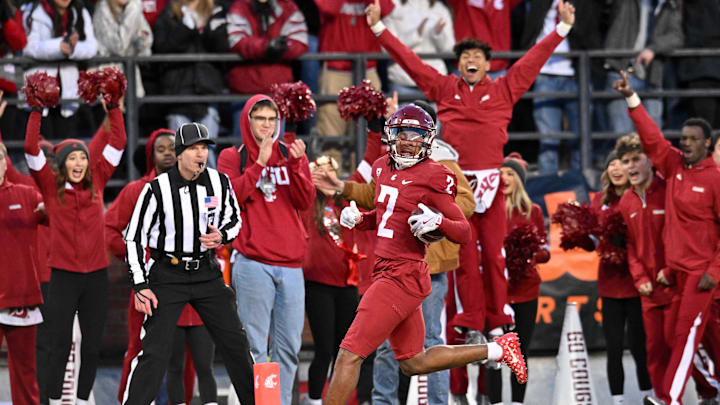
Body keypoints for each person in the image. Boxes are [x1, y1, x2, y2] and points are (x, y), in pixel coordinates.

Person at [365, 0, 576, 344]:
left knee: (495, 255)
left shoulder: (505, 88)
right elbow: (413, 64)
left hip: (493, 183)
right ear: (458, 63)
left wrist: (562, 29)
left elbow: (533, 61)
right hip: (457, 185)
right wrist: (379, 30)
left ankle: (498, 318)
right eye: (465, 57)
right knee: (465, 256)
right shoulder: (445, 88)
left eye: (477, 57)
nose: (471, 61)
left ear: (488, 64)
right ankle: (471, 321)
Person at [322, 105, 527, 405]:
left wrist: (438, 222)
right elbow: (386, 217)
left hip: (401, 274)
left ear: (428, 140)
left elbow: (464, 231)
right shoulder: (381, 167)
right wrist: (361, 219)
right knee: (413, 362)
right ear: (392, 136)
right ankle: (498, 349)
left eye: (415, 135)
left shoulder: (435, 174)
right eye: (402, 134)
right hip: (389, 271)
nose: (407, 141)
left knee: (348, 354)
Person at [123, 123, 254, 405]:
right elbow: (133, 237)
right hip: (167, 272)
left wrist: (222, 235)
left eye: (204, 148)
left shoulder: (219, 182)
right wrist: (140, 284)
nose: (201, 154)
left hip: (206, 271)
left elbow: (234, 219)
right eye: (194, 148)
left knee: (236, 344)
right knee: (155, 353)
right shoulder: (156, 189)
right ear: (179, 153)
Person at [615, 70, 720, 405]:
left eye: (692, 139)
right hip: (676, 272)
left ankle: (669, 398)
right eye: (683, 138)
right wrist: (632, 99)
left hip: (702, 274)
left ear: (707, 144)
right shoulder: (674, 166)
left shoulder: (716, 179)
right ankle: (710, 389)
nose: (684, 143)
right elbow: (652, 139)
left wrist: (713, 273)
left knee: (685, 333)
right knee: (691, 339)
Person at [24, 95, 125, 405]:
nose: (80, 163)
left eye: (83, 158)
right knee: (59, 343)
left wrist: (114, 106)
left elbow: (117, 142)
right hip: (64, 278)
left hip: (96, 278)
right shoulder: (50, 189)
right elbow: (30, 149)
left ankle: (81, 401)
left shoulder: (98, 183)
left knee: (92, 345)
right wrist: (37, 109)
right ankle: (54, 400)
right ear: (62, 164)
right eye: (73, 159)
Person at [107, 129, 219, 405]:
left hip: (193, 284)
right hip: (152, 286)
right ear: (151, 156)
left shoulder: (204, 188)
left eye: (175, 147)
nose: (169, 152)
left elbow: (218, 228)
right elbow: (108, 229)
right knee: (141, 350)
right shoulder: (136, 191)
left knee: (190, 356)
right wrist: (140, 258)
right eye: (162, 149)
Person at [217, 95, 314, 405]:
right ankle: (261, 402)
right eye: (260, 118)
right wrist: (259, 162)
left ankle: (280, 403)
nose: (267, 125)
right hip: (252, 262)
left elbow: (305, 201)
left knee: (288, 347)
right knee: (256, 347)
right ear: (247, 121)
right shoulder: (233, 156)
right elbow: (229, 197)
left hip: (291, 265)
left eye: (272, 119)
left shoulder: (289, 153)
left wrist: (298, 164)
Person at [614, 134, 678, 401]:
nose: (630, 166)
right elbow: (630, 245)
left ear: (650, 160)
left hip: (676, 287)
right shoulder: (625, 201)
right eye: (625, 161)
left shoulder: (669, 191)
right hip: (648, 292)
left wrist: (671, 269)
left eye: (636, 159)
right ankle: (664, 398)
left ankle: (706, 392)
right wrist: (639, 277)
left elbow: (682, 236)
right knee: (654, 350)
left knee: (682, 347)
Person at [586, 152, 653, 405]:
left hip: (637, 284)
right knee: (613, 347)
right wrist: (579, 237)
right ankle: (618, 400)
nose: (615, 168)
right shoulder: (598, 200)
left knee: (639, 346)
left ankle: (649, 394)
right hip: (610, 284)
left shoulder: (639, 197)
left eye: (620, 164)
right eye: (611, 164)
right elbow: (591, 242)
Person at [485, 153, 550, 405]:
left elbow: (545, 251)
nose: (505, 178)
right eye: (501, 173)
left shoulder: (532, 211)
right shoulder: (488, 210)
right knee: (494, 352)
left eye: (510, 174)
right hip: (495, 292)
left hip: (525, 291)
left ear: (519, 180)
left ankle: (517, 403)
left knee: (520, 352)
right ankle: (496, 402)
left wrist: (528, 254)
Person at [301, 155, 365, 405]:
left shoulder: (347, 202)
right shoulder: (307, 204)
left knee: (345, 351)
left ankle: (341, 400)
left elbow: (366, 174)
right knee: (324, 350)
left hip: (347, 284)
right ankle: (315, 400)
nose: (325, 177)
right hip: (318, 285)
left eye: (330, 172)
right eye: (320, 172)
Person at [152, 0, 228, 167]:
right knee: (181, 153)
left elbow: (223, 46)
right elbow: (162, 46)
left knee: (206, 152)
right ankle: (182, 193)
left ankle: (210, 192)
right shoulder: (168, 14)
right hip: (177, 94)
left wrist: (208, 27)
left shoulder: (216, 13)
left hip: (207, 92)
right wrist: (186, 26)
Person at [0, 141, 46, 405]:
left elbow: (57, 215)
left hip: (21, 299)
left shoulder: (27, 194)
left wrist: (50, 207)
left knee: (26, 378)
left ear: (6, 163)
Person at [313, 0, 394, 137]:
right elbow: (328, 8)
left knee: (366, 135)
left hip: (367, 70)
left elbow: (385, 8)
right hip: (335, 71)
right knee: (331, 135)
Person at [23, 0, 98, 137]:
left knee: (64, 146)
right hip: (39, 90)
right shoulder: (32, 11)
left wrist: (72, 49)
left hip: (68, 91)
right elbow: (28, 47)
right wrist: (59, 47)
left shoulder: (80, 11)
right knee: (41, 148)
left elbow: (92, 46)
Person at [382, 0, 454, 96]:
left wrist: (437, 35)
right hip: (403, 82)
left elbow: (449, 49)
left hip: (435, 83)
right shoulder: (393, 5)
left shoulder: (440, 9)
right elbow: (386, 47)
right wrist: (416, 35)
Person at [92, 0, 153, 97]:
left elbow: (146, 49)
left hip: (131, 81)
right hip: (107, 81)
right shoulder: (103, 10)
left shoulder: (132, 10)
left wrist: (140, 39)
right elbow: (119, 47)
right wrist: (133, 12)